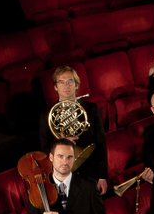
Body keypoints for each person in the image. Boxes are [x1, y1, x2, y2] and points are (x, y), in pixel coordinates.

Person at [40, 66, 108, 194]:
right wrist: (61, 144)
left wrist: (102, 176)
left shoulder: (92, 109)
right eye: (61, 82)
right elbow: (44, 148)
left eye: (70, 81)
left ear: (77, 85)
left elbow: (101, 144)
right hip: (65, 174)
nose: (66, 86)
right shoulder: (46, 115)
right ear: (55, 87)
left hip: (90, 171)